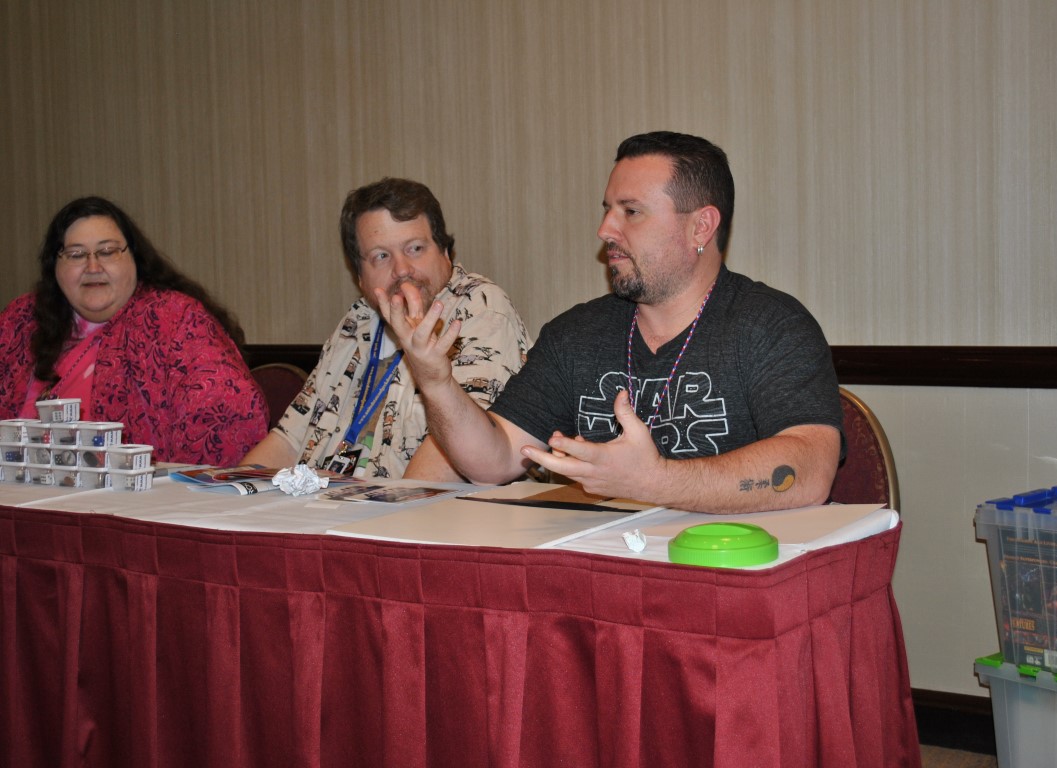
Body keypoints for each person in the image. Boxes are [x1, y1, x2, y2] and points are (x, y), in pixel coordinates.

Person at [381, 131, 843, 514]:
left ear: (701, 227)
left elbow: (809, 470)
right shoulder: (577, 335)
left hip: (732, 575)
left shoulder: (771, 325)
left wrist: (657, 481)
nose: (605, 229)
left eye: (631, 211)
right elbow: (493, 462)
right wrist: (436, 382)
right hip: (604, 573)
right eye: (607, 209)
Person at [241, 177, 530, 481]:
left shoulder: (480, 307)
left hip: (420, 507)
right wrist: (231, 490)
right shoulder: (358, 319)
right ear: (360, 277)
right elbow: (288, 440)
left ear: (445, 253)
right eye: (381, 256)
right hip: (327, 501)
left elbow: (454, 458)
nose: (402, 269)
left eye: (415, 248)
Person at [0, 196, 268, 466]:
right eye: (76, 255)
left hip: (136, 488)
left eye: (107, 252)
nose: (93, 267)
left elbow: (228, 410)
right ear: (54, 267)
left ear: (135, 259)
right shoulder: (21, 321)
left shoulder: (174, 319)